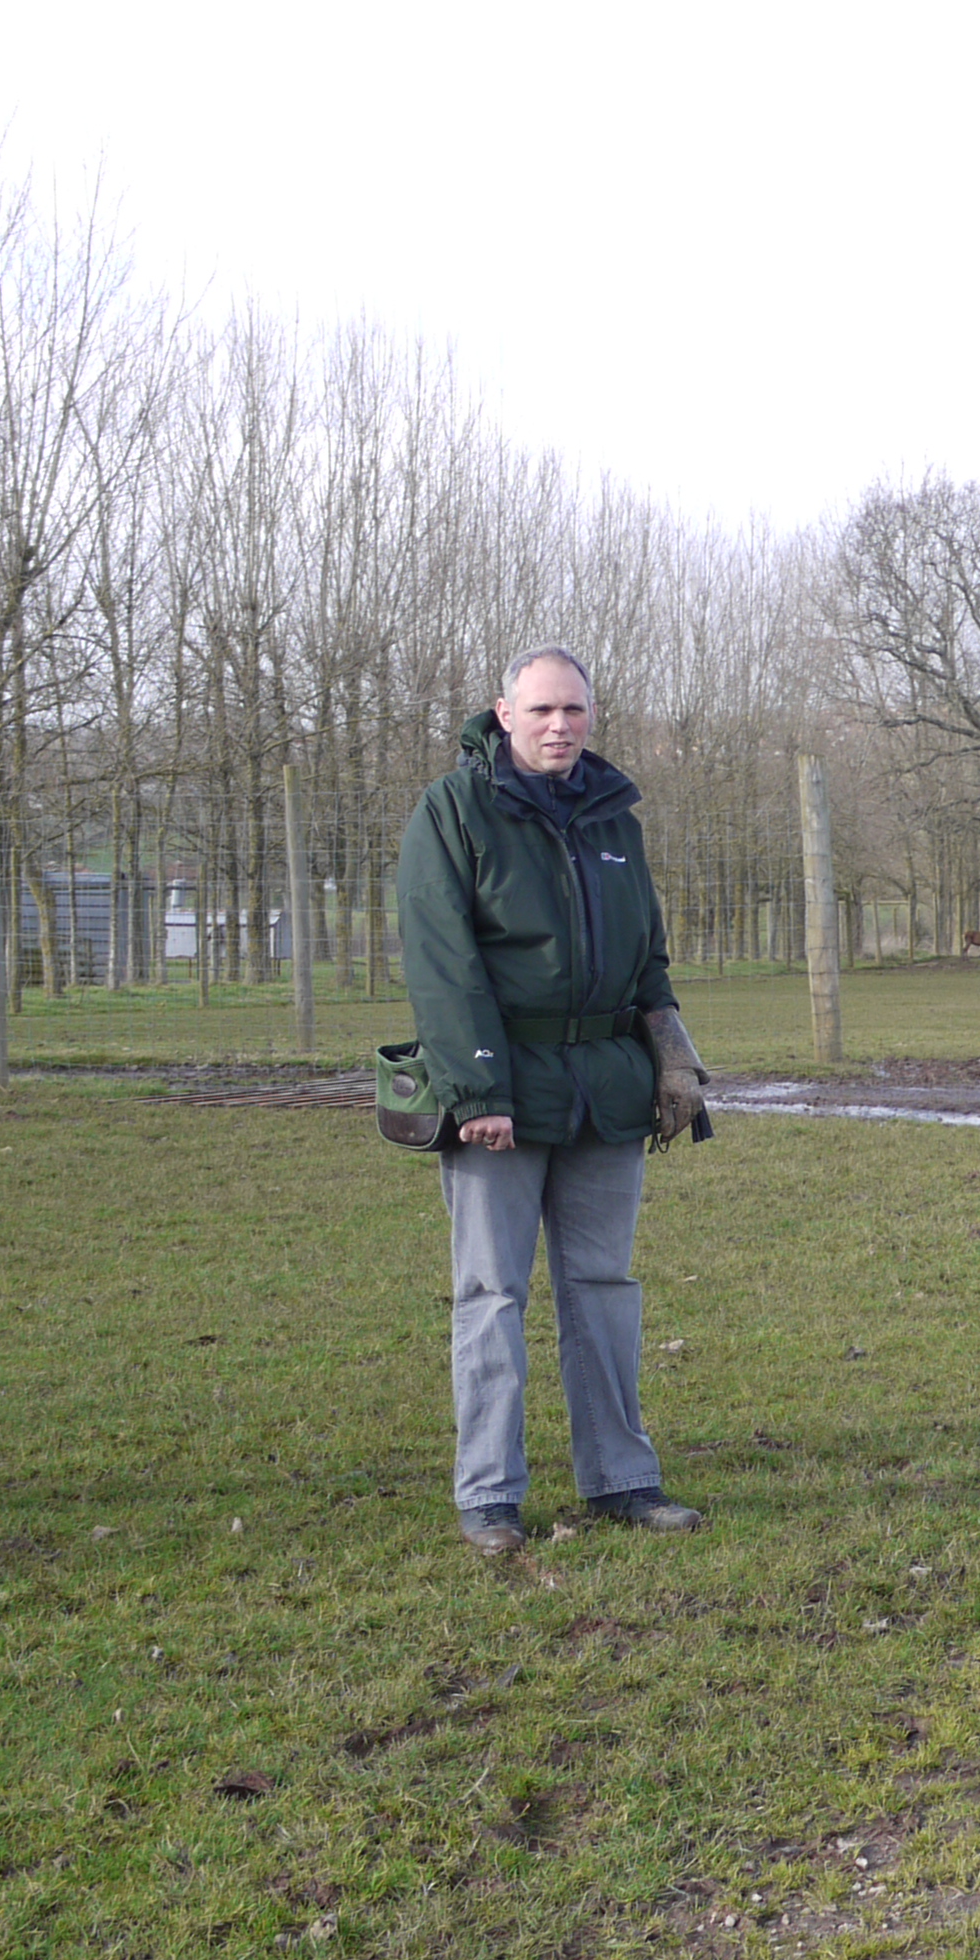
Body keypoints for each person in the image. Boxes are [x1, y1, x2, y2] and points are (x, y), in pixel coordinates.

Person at [395, 645, 711, 1556]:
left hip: (604, 1093)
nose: (558, 726)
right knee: (492, 1292)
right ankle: (490, 1495)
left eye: (573, 710)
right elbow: (442, 963)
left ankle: (622, 1479)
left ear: (590, 712)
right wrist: (480, 1088)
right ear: (504, 712)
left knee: (603, 1286)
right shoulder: (453, 812)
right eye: (540, 711)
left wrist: (671, 1056)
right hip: (501, 1089)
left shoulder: (616, 815)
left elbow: (646, 950)